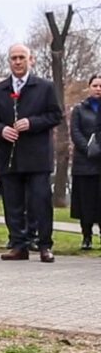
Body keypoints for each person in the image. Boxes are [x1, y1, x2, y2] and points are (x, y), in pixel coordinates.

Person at [0, 44, 63, 263]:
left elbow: (56, 116)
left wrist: (32, 123)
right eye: (13, 58)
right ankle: (18, 245)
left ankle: (45, 246)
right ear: (9, 61)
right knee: (12, 203)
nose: (17, 62)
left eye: (21, 57)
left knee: (40, 202)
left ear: (32, 60)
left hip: (37, 156)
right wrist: (2, 129)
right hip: (9, 156)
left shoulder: (45, 87)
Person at [69, 74, 101, 249]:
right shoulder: (80, 109)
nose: (98, 89)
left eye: (100, 86)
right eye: (95, 85)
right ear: (89, 87)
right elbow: (75, 132)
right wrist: (89, 148)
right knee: (86, 202)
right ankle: (86, 237)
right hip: (84, 163)